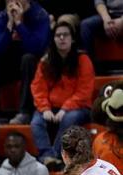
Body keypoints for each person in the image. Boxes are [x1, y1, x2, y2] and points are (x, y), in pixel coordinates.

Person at [30, 21, 94, 166]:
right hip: (51, 107)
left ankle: (57, 155)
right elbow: (38, 87)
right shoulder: (46, 61)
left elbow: (84, 91)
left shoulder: (83, 60)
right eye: (58, 35)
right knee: (36, 122)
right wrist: (45, 108)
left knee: (70, 118)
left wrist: (65, 108)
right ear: (53, 39)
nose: (62, 38)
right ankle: (47, 156)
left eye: (65, 35)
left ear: (72, 38)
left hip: (79, 107)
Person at [0, 0, 51, 125]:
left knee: (28, 59)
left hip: (32, 65)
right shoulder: (1, 17)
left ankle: (24, 112)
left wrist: (19, 23)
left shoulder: (40, 15)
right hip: (9, 63)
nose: (14, 2)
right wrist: (10, 23)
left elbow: (35, 47)